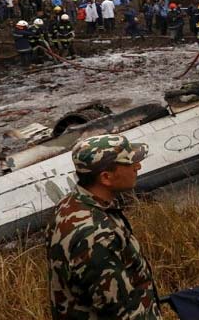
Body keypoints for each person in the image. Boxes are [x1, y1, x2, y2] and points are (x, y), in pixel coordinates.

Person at [46, 134, 161, 320]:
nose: (137, 166)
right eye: (130, 163)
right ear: (106, 177)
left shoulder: (70, 205)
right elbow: (121, 312)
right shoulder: (96, 236)